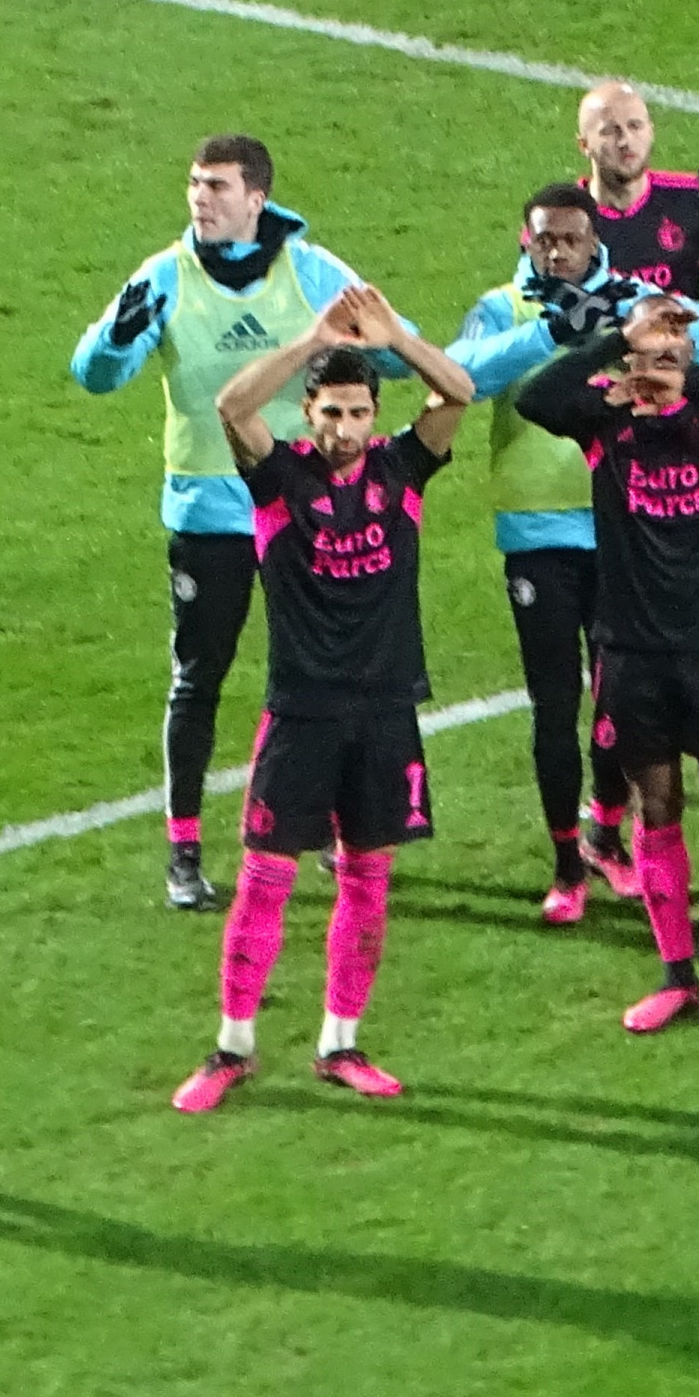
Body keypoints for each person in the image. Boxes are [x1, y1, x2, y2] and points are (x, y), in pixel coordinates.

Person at [69, 134, 398, 913]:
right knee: (198, 676)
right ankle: (184, 847)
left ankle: (320, 821)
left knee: (318, 671)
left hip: (298, 505)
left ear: (257, 198)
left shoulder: (315, 272)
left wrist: (378, 344)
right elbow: (94, 374)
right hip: (207, 506)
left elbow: (391, 353)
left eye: (216, 186)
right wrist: (119, 332)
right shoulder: (165, 275)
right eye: (192, 184)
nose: (199, 199)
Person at [169, 286, 478, 1112]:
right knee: (264, 881)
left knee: (366, 883)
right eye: (329, 412)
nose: (343, 427)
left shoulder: (400, 470)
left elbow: (459, 393)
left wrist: (395, 342)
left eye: (357, 411)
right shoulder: (277, 480)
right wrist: (312, 340)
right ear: (307, 412)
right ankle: (232, 1045)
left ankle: (339, 1041)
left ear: (376, 414)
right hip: (300, 710)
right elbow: (233, 403)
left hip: (384, 711)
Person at [513, 291, 699, 1045]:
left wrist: (693, 383)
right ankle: (678, 976)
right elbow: (535, 396)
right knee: (658, 811)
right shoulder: (603, 423)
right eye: (649, 357)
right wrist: (616, 340)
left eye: (674, 357)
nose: (658, 371)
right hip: (629, 652)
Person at [445, 183, 699, 919]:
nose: (558, 250)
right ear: (525, 238)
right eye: (544, 239)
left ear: (596, 239)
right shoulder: (504, 306)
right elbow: (461, 375)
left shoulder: (634, 294)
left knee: (618, 696)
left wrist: (632, 320)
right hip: (536, 531)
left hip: (621, 524)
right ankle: (568, 861)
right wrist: (549, 333)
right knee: (554, 701)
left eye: (571, 238)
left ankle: (607, 830)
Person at [572, 79, 699, 370]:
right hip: (599, 378)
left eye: (635, 126)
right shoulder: (561, 219)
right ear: (584, 144)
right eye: (609, 131)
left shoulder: (697, 200)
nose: (625, 141)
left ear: (651, 130)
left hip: (680, 375)